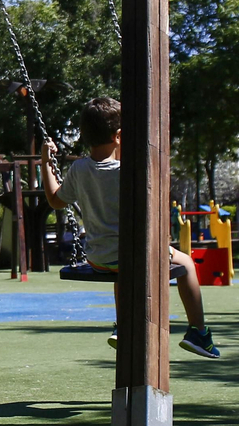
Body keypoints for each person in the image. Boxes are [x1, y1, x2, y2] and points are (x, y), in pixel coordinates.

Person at [42, 97, 221, 358]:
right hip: (133, 254)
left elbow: (55, 200)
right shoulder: (130, 170)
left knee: (121, 268)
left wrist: (46, 162)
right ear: (118, 136)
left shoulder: (79, 169)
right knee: (186, 265)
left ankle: (123, 326)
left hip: (99, 258)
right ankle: (199, 332)